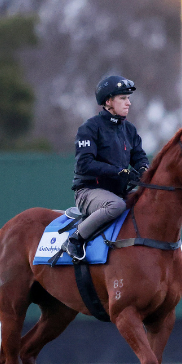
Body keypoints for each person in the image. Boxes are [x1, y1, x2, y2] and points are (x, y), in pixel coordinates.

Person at [61, 75, 150, 261]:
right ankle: (75, 240)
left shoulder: (130, 130)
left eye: (129, 98)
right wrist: (118, 171)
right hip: (88, 191)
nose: (129, 103)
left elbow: (140, 157)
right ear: (108, 101)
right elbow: (84, 164)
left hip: (117, 191)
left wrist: (143, 171)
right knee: (116, 205)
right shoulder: (90, 128)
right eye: (123, 98)